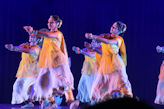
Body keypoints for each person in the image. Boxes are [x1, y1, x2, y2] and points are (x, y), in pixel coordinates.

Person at [24, 15, 74, 109]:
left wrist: (34, 31)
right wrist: (30, 31)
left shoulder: (58, 33)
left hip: (58, 62)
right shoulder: (47, 35)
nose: (49, 24)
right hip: (48, 63)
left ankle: (69, 101)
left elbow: (47, 34)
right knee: (41, 83)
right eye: (48, 22)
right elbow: (36, 36)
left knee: (61, 83)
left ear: (57, 24)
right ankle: (51, 102)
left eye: (51, 22)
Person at [85, 21, 133, 102]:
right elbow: (103, 52)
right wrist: (91, 40)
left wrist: (94, 37)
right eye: (112, 26)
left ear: (119, 31)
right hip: (105, 65)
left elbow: (108, 42)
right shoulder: (106, 36)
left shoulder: (119, 39)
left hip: (115, 65)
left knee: (122, 85)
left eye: (114, 27)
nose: (112, 28)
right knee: (97, 88)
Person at [5, 35, 41, 108]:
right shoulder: (25, 45)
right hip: (24, 70)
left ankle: (31, 102)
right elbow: (19, 48)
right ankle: (27, 102)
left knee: (30, 87)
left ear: (38, 40)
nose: (31, 38)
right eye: (31, 36)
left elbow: (29, 51)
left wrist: (15, 49)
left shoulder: (37, 48)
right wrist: (13, 48)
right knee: (17, 86)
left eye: (34, 37)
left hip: (34, 72)